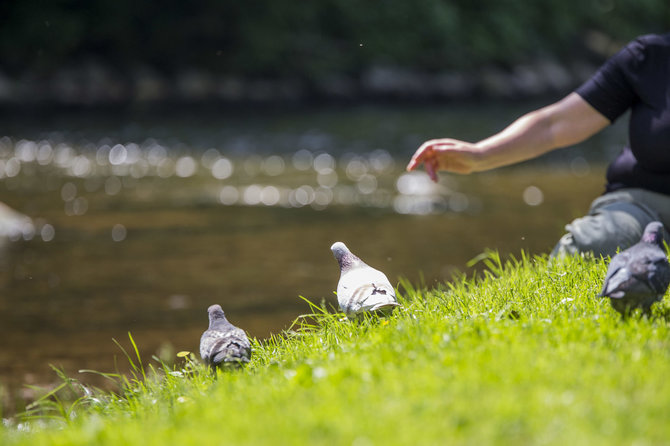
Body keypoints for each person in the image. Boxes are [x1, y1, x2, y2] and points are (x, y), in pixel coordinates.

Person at [406, 32, 670, 257]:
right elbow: (554, 125)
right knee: (592, 245)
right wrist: (480, 155)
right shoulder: (650, 57)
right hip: (642, 203)